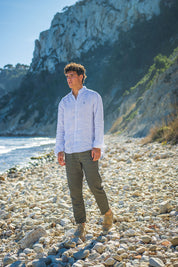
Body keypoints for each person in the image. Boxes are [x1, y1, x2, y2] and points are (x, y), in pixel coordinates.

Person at [55, 62, 113, 241]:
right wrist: (59, 150)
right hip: (70, 151)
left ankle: (107, 213)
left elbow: (99, 123)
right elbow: (61, 128)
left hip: (88, 149)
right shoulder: (64, 102)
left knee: (95, 185)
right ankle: (81, 225)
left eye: (72, 76)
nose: (69, 79)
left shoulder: (93, 97)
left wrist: (98, 146)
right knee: (75, 190)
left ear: (81, 76)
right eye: (67, 77)